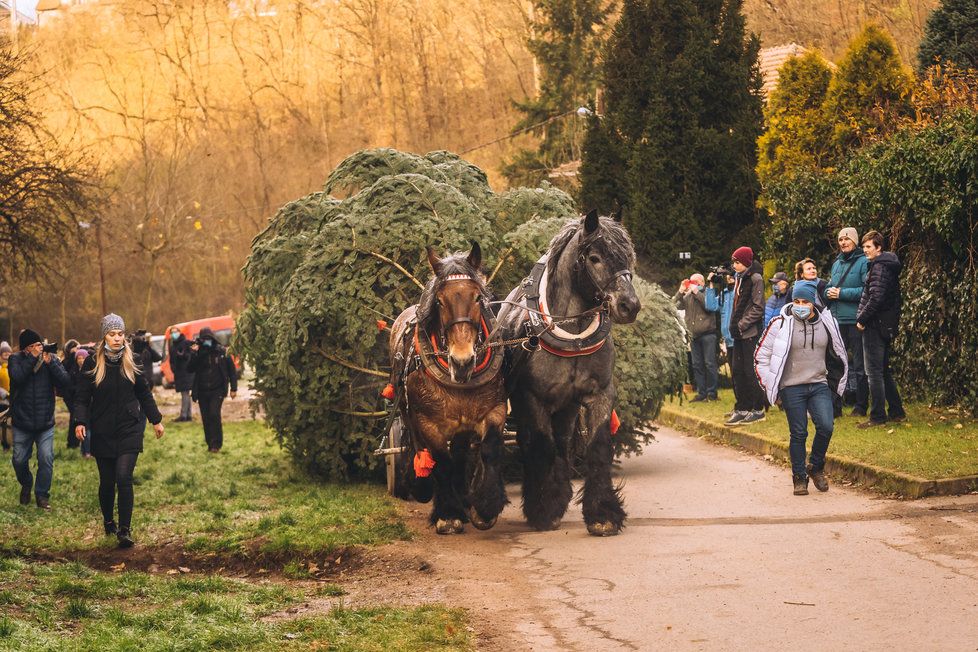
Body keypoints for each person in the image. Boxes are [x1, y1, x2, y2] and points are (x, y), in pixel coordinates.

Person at [74, 314, 164, 548]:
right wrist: (80, 422)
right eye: (112, 334)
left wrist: (156, 420)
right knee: (107, 482)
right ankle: (108, 520)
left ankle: (124, 530)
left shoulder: (132, 360)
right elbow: (82, 398)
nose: (117, 338)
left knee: (123, 477)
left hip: (129, 427)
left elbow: (144, 393)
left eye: (120, 334)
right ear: (104, 336)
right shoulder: (93, 362)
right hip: (102, 429)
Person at [755, 281, 848, 495]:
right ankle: (799, 477)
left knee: (826, 426)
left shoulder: (828, 322)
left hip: (818, 383)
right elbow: (761, 356)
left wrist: (837, 384)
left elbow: (840, 353)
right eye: (796, 301)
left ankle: (815, 467)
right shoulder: (780, 323)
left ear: (813, 302)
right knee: (798, 433)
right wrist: (771, 387)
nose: (800, 305)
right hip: (791, 387)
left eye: (805, 301)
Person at [8, 328, 71, 509]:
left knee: (46, 458)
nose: (38, 348)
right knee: (19, 460)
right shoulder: (16, 360)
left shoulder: (49, 359)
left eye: (39, 345)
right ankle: (26, 483)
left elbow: (65, 382)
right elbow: (18, 378)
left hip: (45, 422)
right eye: (34, 346)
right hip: (22, 421)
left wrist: (51, 363)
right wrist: (32, 359)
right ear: (25, 348)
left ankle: (42, 495)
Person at [855, 230, 905, 428]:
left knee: (873, 371)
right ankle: (897, 412)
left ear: (878, 248)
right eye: (864, 246)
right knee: (883, 370)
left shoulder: (879, 267)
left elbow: (876, 298)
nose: (865, 250)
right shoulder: (885, 265)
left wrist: (862, 319)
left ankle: (877, 417)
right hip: (885, 324)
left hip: (875, 325)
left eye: (868, 247)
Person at [825, 227, 870, 417]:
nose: (843, 243)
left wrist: (841, 293)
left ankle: (861, 405)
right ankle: (837, 405)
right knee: (836, 364)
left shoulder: (863, 262)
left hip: (855, 320)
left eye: (847, 239)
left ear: (855, 241)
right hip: (837, 321)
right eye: (840, 240)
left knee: (859, 365)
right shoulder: (836, 264)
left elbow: (866, 290)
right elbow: (830, 285)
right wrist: (828, 291)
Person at [726, 246, 767, 425]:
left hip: (749, 332)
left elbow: (758, 308)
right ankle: (742, 408)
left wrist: (741, 324)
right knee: (738, 371)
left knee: (751, 372)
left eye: (737, 262)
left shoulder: (755, 279)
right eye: (734, 262)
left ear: (746, 262)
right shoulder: (739, 278)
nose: (734, 265)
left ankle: (758, 409)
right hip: (738, 334)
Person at [188, 327, 237, 452]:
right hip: (202, 391)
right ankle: (210, 443)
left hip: (218, 390)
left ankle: (216, 444)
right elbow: (189, 368)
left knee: (214, 415)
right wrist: (194, 354)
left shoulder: (221, 351)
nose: (207, 342)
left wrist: (234, 388)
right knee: (206, 417)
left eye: (209, 339)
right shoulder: (198, 353)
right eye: (204, 339)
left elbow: (232, 371)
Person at [674, 273, 719, 402]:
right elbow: (674, 305)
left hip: (708, 334)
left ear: (701, 283)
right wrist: (681, 291)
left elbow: (709, 307)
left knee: (710, 364)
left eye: (694, 282)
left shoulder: (708, 293)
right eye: (691, 282)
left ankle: (712, 393)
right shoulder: (687, 296)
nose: (692, 284)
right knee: (697, 365)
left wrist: (696, 292)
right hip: (694, 336)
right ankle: (701, 393)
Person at [64, 348, 92, 458]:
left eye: (83, 358)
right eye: (79, 358)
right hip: (77, 404)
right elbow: (69, 388)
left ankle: (88, 451)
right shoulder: (73, 372)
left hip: (90, 405)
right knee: (83, 428)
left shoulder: (90, 372)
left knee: (89, 429)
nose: (81, 360)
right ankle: (85, 451)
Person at [169, 329, 195, 422]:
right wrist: (173, 369)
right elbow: (171, 360)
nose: (174, 334)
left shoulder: (186, 343)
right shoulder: (172, 346)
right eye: (172, 332)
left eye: (175, 331)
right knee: (185, 393)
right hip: (179, 373)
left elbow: (191, 355)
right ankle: (188, 415)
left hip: (187, 372)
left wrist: (184, 356)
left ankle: (184, 415)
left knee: (185, 393)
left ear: (179, 332)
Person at [0, 342, 11, 451]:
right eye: (4, 353)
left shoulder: (12, 367)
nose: (7, 355)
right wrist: (5, 394)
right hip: (2, 401)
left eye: (8, 352)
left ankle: (7, 443)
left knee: (8, 425)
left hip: (11, 401)